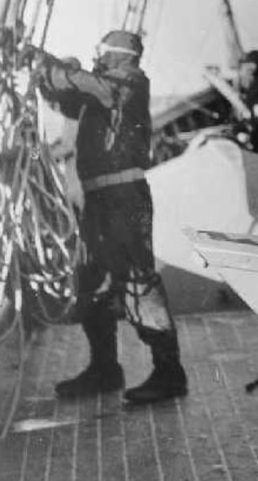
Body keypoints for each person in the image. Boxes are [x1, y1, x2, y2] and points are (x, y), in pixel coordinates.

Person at [33, 29, 188, 403]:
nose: (95, 59)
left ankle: (169, 374)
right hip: (99, 197)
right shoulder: (99, 87)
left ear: (117, 54)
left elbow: (100, 89)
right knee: (93, 280)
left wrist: (54, 69)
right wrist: (45, 70)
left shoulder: (131, 81)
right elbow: (66, 100)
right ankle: (104, 369)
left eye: (100, 53)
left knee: (138, 281)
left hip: (124, 196)